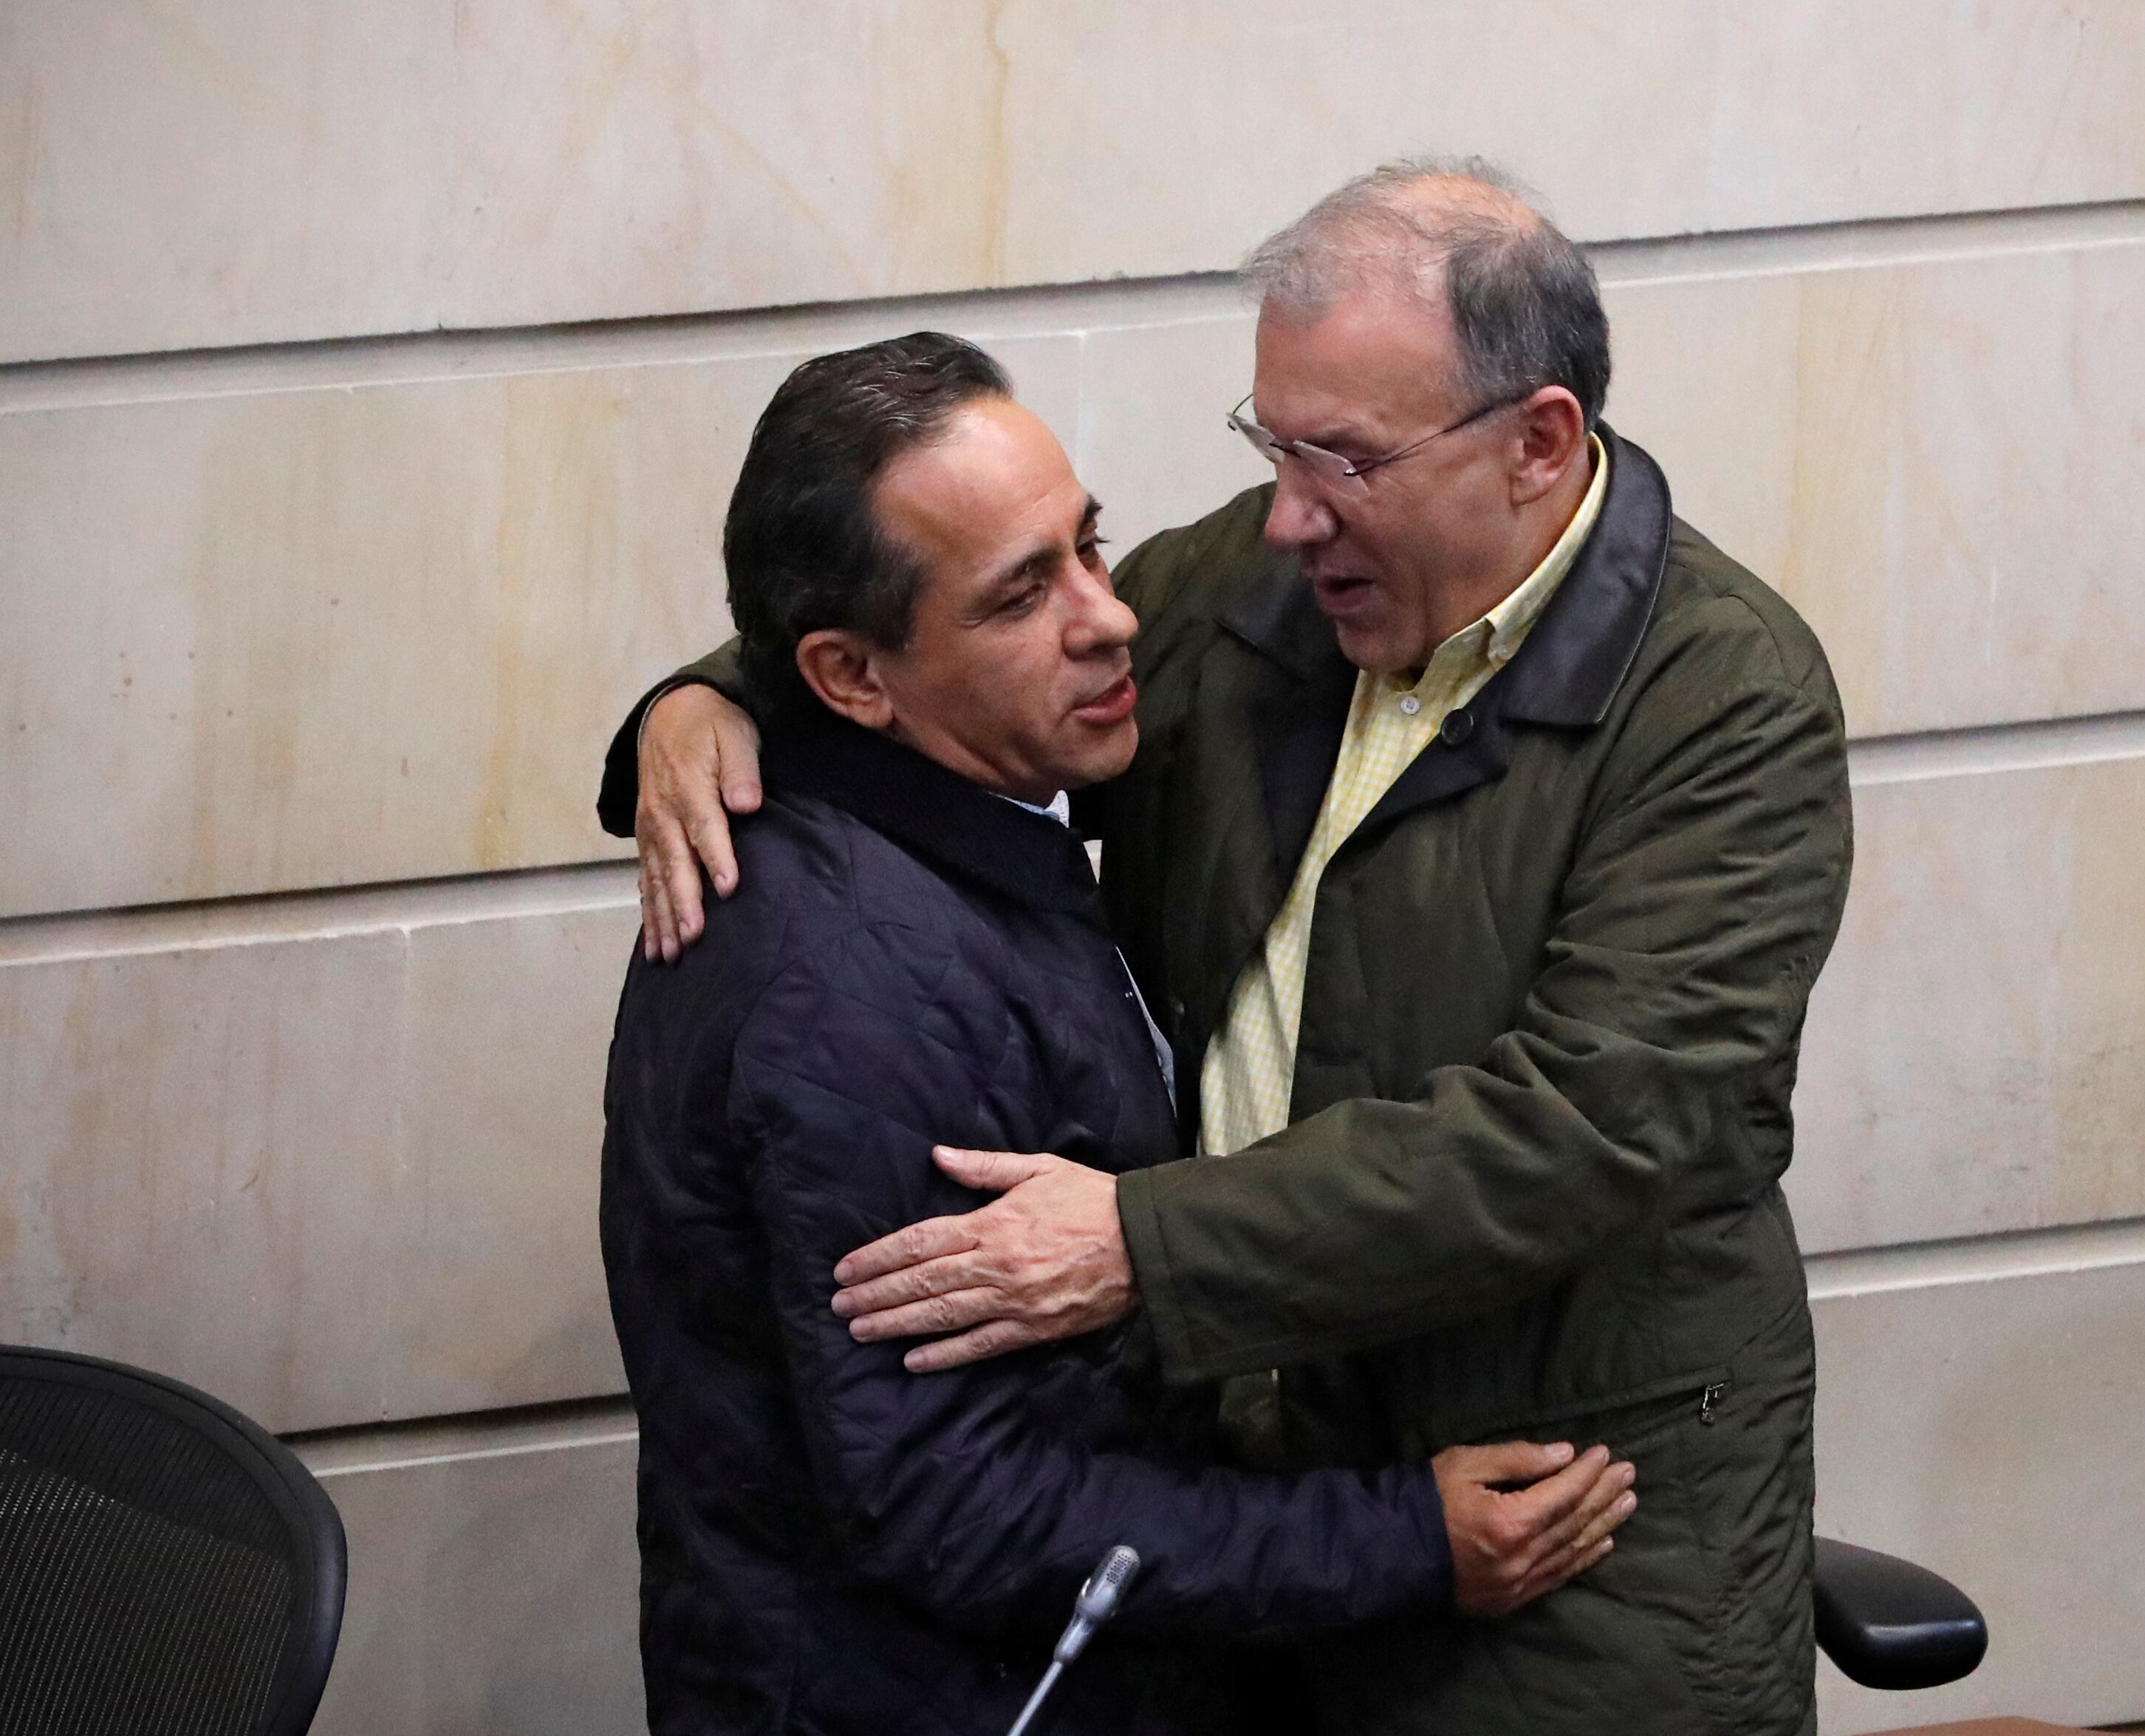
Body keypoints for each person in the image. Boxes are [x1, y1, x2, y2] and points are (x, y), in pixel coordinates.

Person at [610, 160, 1853, 1735]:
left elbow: (1595, 1123)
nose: (1285, 512)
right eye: (1271, 444)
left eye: (1343, 458)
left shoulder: (1723, 702)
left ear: (1536, 443)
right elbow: (941, 633)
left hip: (1560, 1535)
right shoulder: (1256, 591)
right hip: (1266, 1534)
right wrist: (708, 698)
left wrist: (1141, 1241)